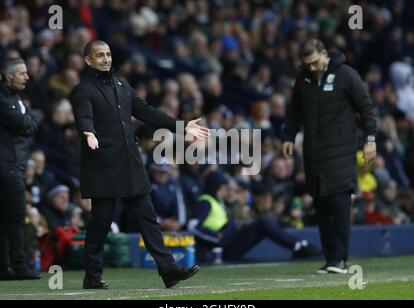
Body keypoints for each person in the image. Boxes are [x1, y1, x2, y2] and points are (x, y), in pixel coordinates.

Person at [70, 40, 209, 289]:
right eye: (99, 55)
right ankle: (92, 275)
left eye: (108, 54)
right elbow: (84, 116)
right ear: (88, 60)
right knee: (100, 222)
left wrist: (182, 126)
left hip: (130, 164)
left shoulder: (121, 84)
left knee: (148, 217)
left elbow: (147, 111)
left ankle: (168, 270)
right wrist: (88, 132)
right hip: (102, 165)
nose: (106, 59)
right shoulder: (83, 90)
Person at [282, 39, 377, 274]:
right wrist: (288, 137)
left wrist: (370, 140)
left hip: (341, 153)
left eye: (315, 62)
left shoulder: (346, 74)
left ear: (325, 54)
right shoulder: (303, 79)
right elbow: (294, 111)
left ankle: (341, 260)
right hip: (314, 156)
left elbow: (366, 108)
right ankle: (331, 260)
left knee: (339, 207)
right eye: (307, 64)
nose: (311, 68)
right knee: (322, 209)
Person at [188, 171, 320, 262]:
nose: (225, 191)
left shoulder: (219, 203)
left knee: (263, 223)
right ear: (216, 187)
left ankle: (298, 245)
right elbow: (192, 227)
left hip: (227, 241)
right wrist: (216, 237)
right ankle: (298, 245)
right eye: (223, 188)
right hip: (219, 247)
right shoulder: (205, 202)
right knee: (262, 223)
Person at [0, 58, 41, 280]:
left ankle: (5, 268)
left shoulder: (17, 99)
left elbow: (32, 124)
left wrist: (25, 123)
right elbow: (24, 124)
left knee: (7, 219)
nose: (27, 77)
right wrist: (25, 123)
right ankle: (19, 266)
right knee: (15, 217)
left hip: (14, 164)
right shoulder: (2, 99)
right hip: (8, 166)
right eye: (22, 73)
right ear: (9, 76)